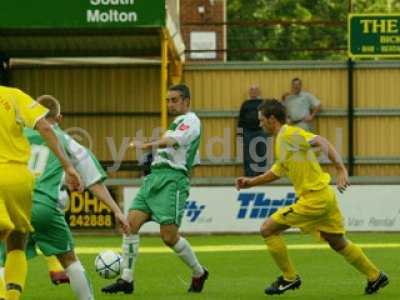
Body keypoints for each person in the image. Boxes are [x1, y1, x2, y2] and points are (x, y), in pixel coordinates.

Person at [235, 99, 388, 295]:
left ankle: (289, 278)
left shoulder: (289, 134)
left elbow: (320, 141)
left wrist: (341, 169)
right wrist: (250, 182)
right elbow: (277, 171)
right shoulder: (282, 141)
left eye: (261, 119)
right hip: (325, 196)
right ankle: (375, 276)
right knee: (337, 241)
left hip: (313, 199)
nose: (259, 124)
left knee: (268, 229)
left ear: (272, 119)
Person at [0, 95, 129, 300]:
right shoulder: (66, 141)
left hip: (15, 202)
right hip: (44, 206)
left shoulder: (17, 133)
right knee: (69, 260)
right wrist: (117, 211)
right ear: (59, 118)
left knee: (8, 255)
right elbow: (94, 181)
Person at [102, 84, 208, 294]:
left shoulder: (191, 121)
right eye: (168, 100)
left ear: (187, 101)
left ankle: (199, 272)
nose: (170, 104)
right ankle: (126, 279)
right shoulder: (176, 123)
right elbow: (191, 157)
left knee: (169, 237)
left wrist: (147, 144)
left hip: (172, 181)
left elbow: (173, 142)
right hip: (154, 178)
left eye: (174, 100)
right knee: (129, 225)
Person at [0, 86, 82, 300]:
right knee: (16, 243)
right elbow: (46, 128)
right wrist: (68, 166)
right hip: (17, 178)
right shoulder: (13, 95)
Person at [238, 85, 268, 176]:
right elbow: (241, 119)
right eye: (252, 90)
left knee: (262, 152)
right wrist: (240, 134)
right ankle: (249, 174)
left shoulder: (263, 103)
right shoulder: (245, 103)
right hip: (247, 131)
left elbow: (267, 116)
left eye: (256, 90)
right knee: (248, 154)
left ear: (259, 92)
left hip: (261, 130)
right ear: (249, 93)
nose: (254, 92)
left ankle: (262, 174)